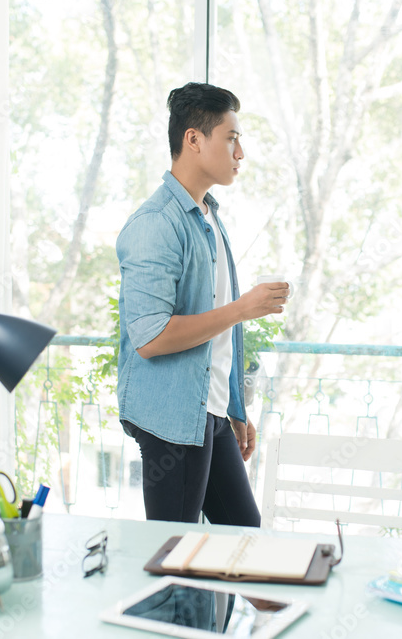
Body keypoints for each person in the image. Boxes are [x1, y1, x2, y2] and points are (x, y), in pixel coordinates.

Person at [116, 82, 289, 528]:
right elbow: (151, 338)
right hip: (172, 420)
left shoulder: (209, 216)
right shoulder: (156, 224)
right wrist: (243, 308)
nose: (240, 153)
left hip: (209, 413)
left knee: (244, 542)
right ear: (194, 139)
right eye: (231, 138)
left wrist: (234, 407)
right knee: (175, 563)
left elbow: (220, 338)